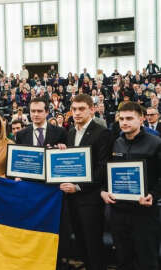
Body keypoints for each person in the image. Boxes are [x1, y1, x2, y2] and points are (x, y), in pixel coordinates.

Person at [101, 101, 161, 270]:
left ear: (141, 119)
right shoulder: (116, 143)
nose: (125, 122)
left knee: (147, 260)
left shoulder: (155, 143)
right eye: (121, 119)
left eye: (129, 118)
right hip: (119, 212)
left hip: (145, 213)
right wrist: (104, 192)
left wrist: (154, 195)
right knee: (123, 259)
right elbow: (107, 173)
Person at [60, 94, 111, 270]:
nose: (77, 113)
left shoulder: (102, 132)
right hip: (71, 199)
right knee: (81, 243)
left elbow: (102, 168)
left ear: (92, 109)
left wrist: (79, 187)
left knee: (93, 245)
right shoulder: (71, 132)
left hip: (91, 200)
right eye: (74, 109)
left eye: (81, 109)